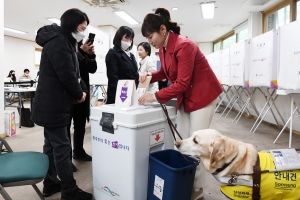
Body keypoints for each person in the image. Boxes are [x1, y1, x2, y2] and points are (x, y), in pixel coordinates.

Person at [138, 8, 222, 200]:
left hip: (202, 95)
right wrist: (150, 76)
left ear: (163, 29)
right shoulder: (164, 48)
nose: (149, 41)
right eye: (147, 38)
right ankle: (184, 179)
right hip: (187, 95)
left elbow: (182, 82)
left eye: (151, 36)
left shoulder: (184, 45)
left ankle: (197, 188)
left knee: (198, 144)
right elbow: (167, 73)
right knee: (182, 143)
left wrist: (156, 96)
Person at [31, 8, 93, 200]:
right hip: (53, 105)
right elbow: (66, 74)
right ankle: (69, 190)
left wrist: (82, 89)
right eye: (82, 27)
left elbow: (75, 73)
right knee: (62, 147)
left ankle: (50, 183)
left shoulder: (67, 42)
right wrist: (79, 93)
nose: (83, 31)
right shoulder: (59, 42)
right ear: (72, 24)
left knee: (50, 146)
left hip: (53, 104)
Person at [67, 36, 97, 164]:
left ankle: (78, 152)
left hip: (83, 93)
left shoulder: (81, 46)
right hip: (68, 93)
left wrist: (91, 56)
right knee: (65, 127)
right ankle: (66, 159)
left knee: (80, 125)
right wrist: (81, 52)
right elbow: (70, 67)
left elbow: (92, 69)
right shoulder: (66, 45)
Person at [105, 26, 139, 104]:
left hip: (131, 93)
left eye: (131, 39)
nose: (129, 41)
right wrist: (124, 95)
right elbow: (113, 78)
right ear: (119, 37)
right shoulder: (113, 53)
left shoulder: (131, 55)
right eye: (127, 38)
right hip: (119, 96)